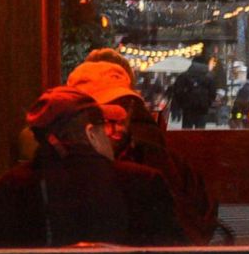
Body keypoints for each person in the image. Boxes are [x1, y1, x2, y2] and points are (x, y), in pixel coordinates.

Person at [0, 87, 188, 248]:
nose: (112, 137)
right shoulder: (143, 182)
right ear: (91, 133)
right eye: (106, 128)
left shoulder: (9, 188)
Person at [68, 59, 221, 243]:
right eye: (104, 110)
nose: (117, 116)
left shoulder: (160, 163)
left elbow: (197, 224)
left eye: (124, 106)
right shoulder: (63, 173)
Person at [170, 53, 216, 129]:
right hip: (202, 108)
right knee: (200, 129)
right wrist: (208, 103)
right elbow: (213, 93)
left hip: (188, 108)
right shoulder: (208, 77)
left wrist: (182, 104)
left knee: (187, 130)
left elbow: (177, 92)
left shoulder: (184, 76)